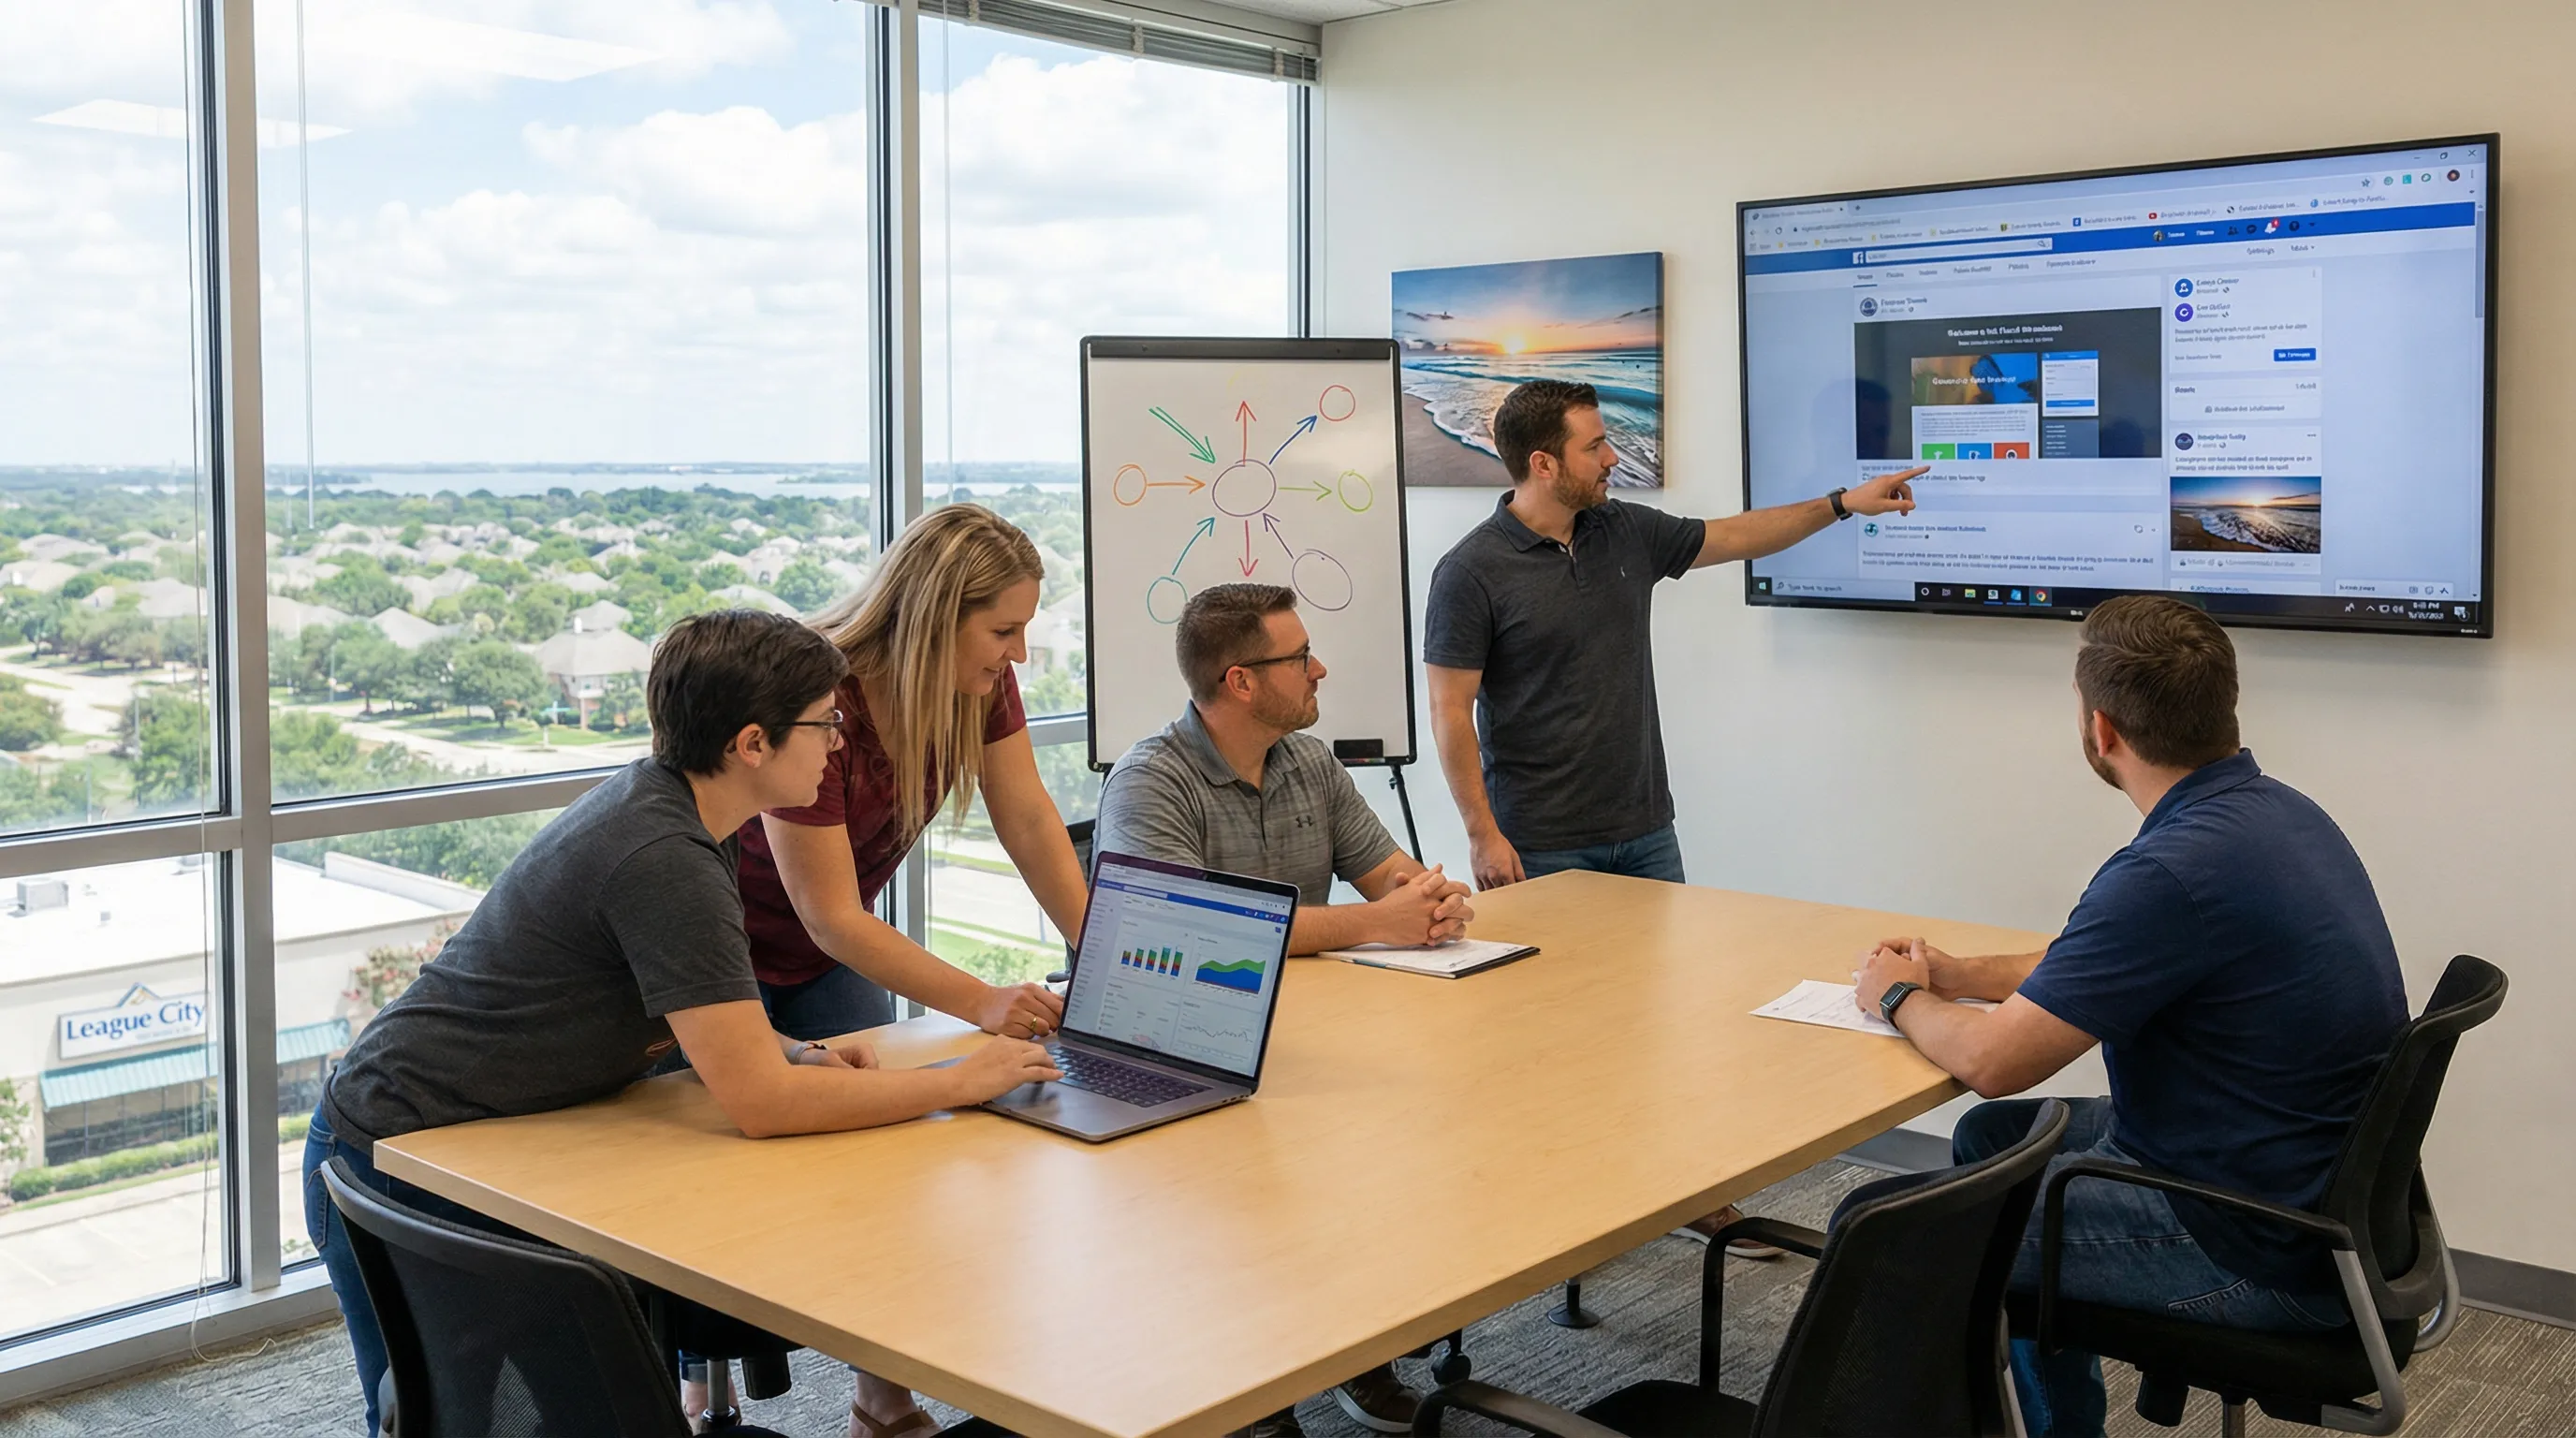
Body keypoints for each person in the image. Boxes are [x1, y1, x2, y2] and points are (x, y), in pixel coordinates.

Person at [302, 609, 1061, 1438]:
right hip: (399, 1158)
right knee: (463, 1417)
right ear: (752, 744)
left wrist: (786, 1049)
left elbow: (689, 1012)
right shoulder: (665, 858)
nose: (839, 742)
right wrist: (960, 1081)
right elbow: (763, 1107)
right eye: (825, 724)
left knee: (546, 1409)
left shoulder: (684, 814)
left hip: (471, 1144)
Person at [1851, 594, 2407, 1438]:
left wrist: (1897, 997)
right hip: (2303, 1187)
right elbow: (2098, 958)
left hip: (2249, 1239)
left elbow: (1995, 1062)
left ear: (2100, 730)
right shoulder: (2275, 814)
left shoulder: (2168, 872)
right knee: (1993, 1141)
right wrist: (1958, 975)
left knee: (1882, 1233)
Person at [727, 503, 1090, 1438]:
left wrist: (1101, 953)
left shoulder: (976, 684)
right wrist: (982, 1002)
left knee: (885, 1164)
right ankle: (701, 1391)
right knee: (717, 1164)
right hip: (722, 957)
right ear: (935, 616)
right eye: (1002, 630)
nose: (1019, 653)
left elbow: (1029, 819)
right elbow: (832, 915)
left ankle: (878, 1401)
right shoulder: (815, 695)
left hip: (821, 958)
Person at [1092, 582, 1471, 1435]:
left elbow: (1387, 874)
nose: (1319, 669)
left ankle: (1358, 1347)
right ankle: (1250, 1397)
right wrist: (1375, 923)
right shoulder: (1150, 781)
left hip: (1306, 1034)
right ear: (1240, 681)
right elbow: (1189, 936)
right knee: (1252, 1207)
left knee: (1387, 1151)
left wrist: (1430, 898)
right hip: (1182, 1044)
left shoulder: (1309, 761)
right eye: (1300, 658)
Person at [1423, 377, 1924, 890]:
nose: (1612, 458)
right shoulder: (1471, 572)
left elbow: (1736, 535)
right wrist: (1482, 834)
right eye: (1594, 447)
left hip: (1646, 833)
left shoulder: (1623, 529)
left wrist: (1843, 503)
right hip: (1539, 844)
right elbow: (1450, 711)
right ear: (1543, 464)